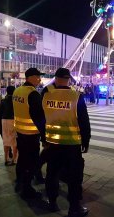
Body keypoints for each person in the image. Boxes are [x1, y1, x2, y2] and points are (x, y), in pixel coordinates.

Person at [42, 68, 90, 217]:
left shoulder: (45, 93)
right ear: (69, 79)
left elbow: (39, 116)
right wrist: (86, 141)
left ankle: (52, 202)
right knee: (74, 177)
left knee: (52, 173)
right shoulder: (76, 95)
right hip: (72, 144)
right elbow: (84, 121)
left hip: (52, 143)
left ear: (55, 78)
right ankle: (74, 207)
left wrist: (44, 138)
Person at [12, 67, 46, 199]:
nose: (39, 79)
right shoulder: (32, 94)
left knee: (22, 159)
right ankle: (27, 188)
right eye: (37, 76)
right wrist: (44, 136)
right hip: (31, 134)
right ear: (30, 77)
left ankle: (19, 182)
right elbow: (39, 117)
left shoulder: (17, 90)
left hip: (20, 132)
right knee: (31, 161)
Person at [0, 86, 18, 166]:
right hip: (13, 120)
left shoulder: (3, 101)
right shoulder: (16, 101)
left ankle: (6, 159)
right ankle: (14, 159)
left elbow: (0, 111)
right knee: (14, 141)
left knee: (6, 140)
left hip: (4, 121)